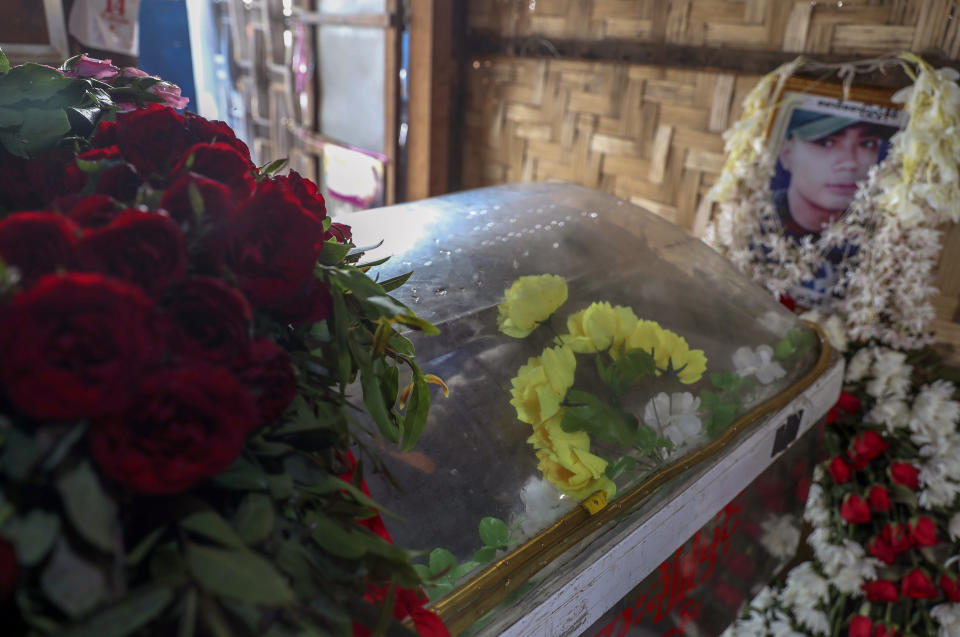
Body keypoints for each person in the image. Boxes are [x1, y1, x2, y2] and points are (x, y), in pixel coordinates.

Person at [773, 110, 894, 238]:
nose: (850, 162)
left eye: (867, 143)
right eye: (826, 142)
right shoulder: (753, 221)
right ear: (786, 154)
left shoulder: (888, 233)